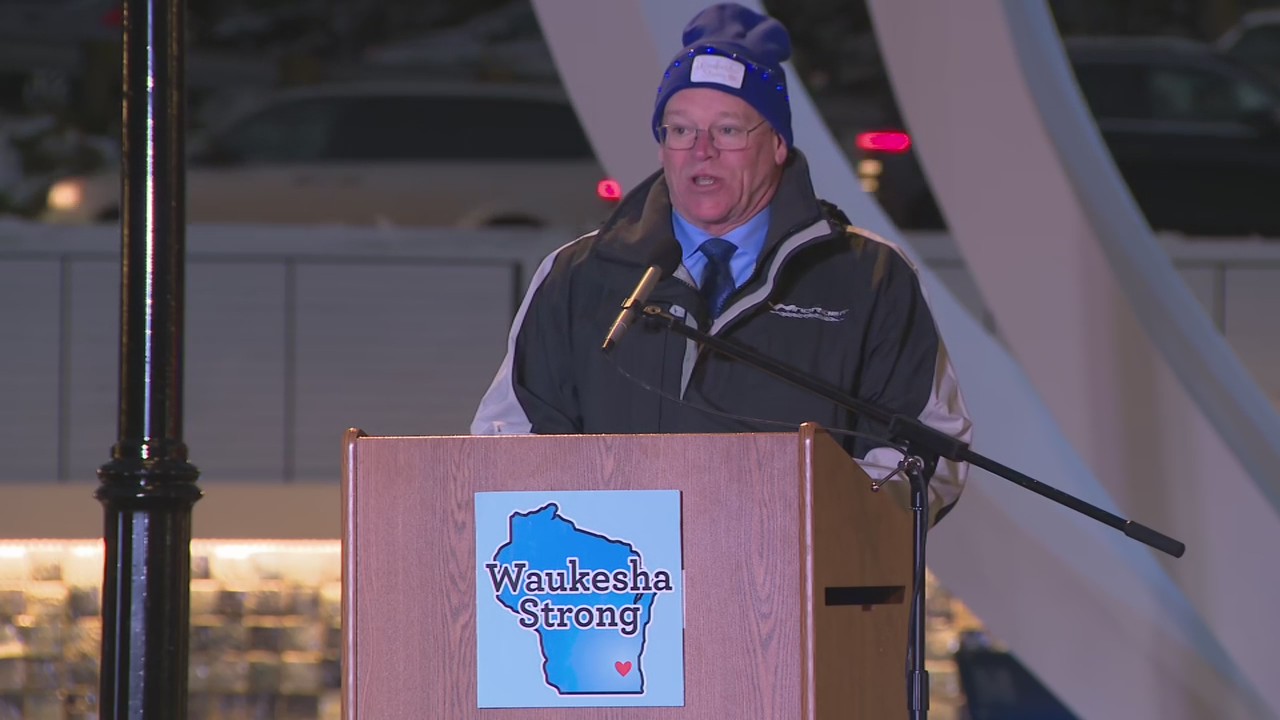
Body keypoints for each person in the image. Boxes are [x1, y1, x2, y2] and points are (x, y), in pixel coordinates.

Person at [471, 3, 971, 520]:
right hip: (619, 569)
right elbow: (510, 438)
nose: (701, 150)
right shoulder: (580, 273)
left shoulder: (868, 275)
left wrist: (821, 523)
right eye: (680, 130)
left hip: (793, 566)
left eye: (728, 131)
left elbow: (924, 453)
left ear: (777, 144)